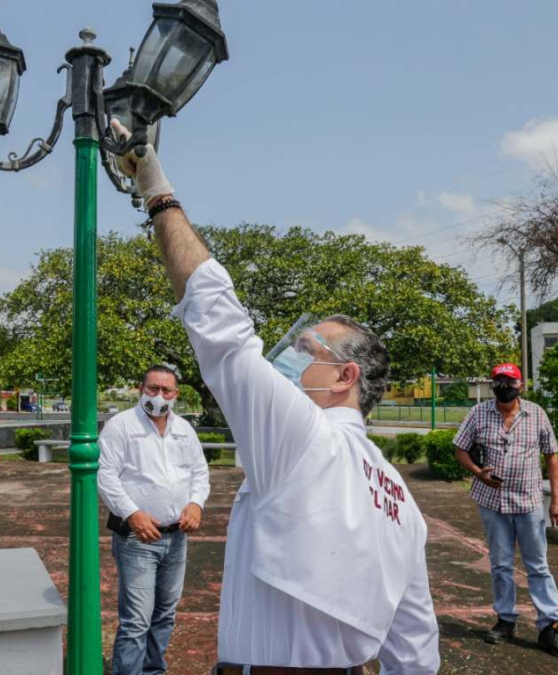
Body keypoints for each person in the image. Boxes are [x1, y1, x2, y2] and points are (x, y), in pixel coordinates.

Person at [111, 120, 439, 674]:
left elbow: (223, 331)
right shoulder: (399, 497)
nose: (290, 358)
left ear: (344, 377)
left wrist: (157, 192)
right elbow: (416, 645)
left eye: (308, 349)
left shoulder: (307, 440)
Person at [452, 363, 558, 660]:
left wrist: (556, 500)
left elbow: (552, 456)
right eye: (498, 381)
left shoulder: (536, 414)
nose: (504, 386)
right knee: (500, 564)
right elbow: (460, 449)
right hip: (492, 502)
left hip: (529, 502)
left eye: (509, 381)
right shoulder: (478, 413)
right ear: (492, 384)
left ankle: (549, 626)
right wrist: (477, 471)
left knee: (538, 566)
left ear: (520, 384)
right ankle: (505, 620)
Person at [97, 365, 210, 675]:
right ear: (140, 388)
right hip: (137, 539)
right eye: (153, 389)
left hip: (176, 538)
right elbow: (106, 476)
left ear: (176, 394)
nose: (159, 396)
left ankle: (153, 670)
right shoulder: (121, 426)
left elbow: (199, 472)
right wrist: (131, 512)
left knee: (165, 614)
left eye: (167, 390)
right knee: (136, 620)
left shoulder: (184, 429)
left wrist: (195, 503)